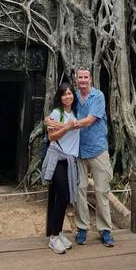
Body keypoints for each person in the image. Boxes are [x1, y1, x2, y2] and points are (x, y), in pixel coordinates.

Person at [46, 67, 114, 246]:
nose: (83, 80)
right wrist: (47, 120)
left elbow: (90, 120)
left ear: (90, 79)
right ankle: (82, 228)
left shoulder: (97, 96)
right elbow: (61, 106)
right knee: (80, 190)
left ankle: (105, 230)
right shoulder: (74, 96)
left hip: (98, 149)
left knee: (101, 191)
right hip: (77, 153)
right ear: (76, 80)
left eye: (86, 77)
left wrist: (66, 125)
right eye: (80, 77)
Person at [41, 82, 80, 254]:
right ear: (60, 97)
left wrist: (71, 124)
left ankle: (59, 232)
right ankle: (54, 237)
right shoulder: (57, 113)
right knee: (63, 195)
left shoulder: (77, 113)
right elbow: (51, 136)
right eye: (64, 94)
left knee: (63, 198)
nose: (67, 96)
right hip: (57, 157)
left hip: (70, 160)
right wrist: (67, 127)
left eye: (70, 93)